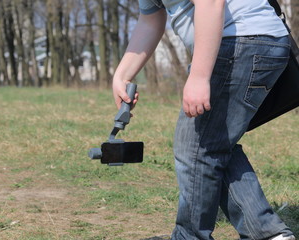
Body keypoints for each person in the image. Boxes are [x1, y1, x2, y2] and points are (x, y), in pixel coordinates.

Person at [112, 0, 296, 239]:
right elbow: (151, 19)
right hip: (248, 41)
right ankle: (268, 234)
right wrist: (122, 74)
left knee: (196, 148)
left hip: (242, 41)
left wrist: (199, 77)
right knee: (213, 143)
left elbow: (210, 2)